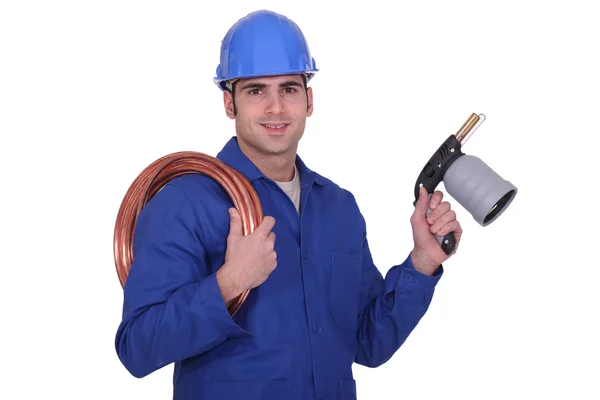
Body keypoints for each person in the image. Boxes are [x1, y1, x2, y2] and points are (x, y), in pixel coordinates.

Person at [115, 9, 462, 400]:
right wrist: (230, 283)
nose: (276, 108)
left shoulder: (338, 208)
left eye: (289, 89)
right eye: (256, 90)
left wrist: (422, 263)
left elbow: (367, 343)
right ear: (230, 104)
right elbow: (137, 348)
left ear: (309, 100)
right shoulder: (185, 202)